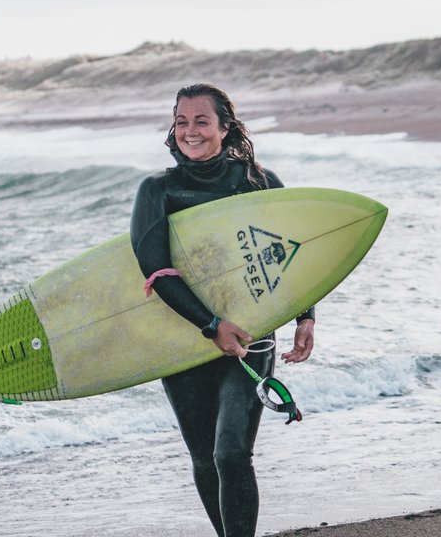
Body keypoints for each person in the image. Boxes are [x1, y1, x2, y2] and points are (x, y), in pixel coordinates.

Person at [130, 83, 315, 537]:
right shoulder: (158, 190)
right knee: (202, 457)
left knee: (231, 452)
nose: (190, 131)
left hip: (251, 336)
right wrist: (210, 325)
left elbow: (293, 256)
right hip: (183, 337)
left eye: (201, 121)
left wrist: (306, 317)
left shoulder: (260, 182)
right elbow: (156, 268)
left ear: (224, 127)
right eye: (181, 121)